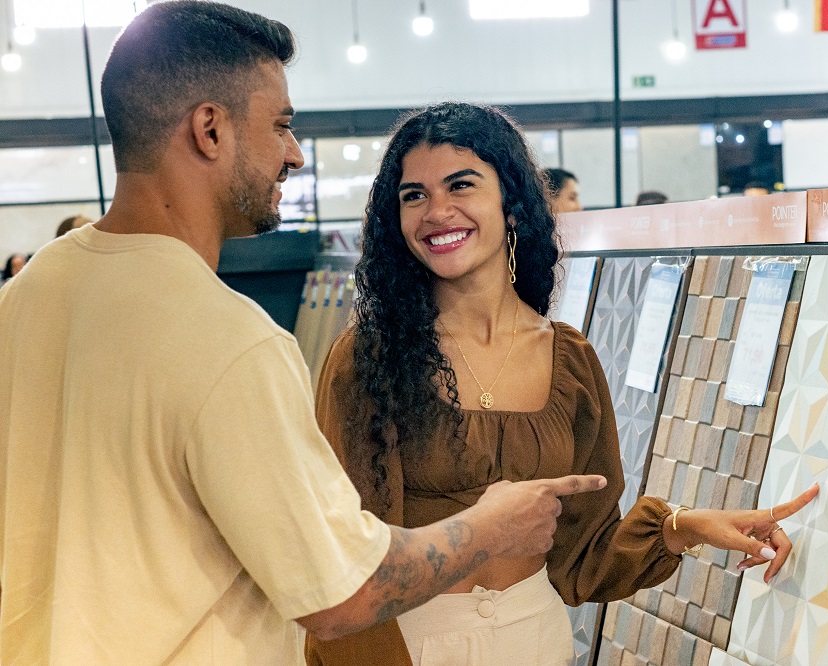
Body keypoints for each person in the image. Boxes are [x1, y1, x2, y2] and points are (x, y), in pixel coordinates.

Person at [0, 4, 606, 663]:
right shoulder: (229, 341)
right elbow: (341, 593)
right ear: (210, 129)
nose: (291, 155)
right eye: (281, 125)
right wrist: (486, 529)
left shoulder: (27, 298)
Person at [307, 102, 819, 665]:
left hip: (536, 637)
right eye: (414, 196)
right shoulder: (367, 362)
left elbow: (584, 557)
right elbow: (343, 560)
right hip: (410, 640)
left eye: (461, 185)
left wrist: (683, 527)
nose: (437, 211)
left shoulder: (569, 358)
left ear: (512, 204)